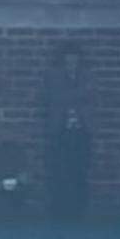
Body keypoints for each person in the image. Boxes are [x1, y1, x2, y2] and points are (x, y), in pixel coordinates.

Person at [43, 42, 91, 221]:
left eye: (75, 57)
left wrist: (68, 96)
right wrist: (77, 95)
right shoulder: (53, 76)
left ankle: (79, 209)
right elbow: (54, 97)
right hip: (59, 129)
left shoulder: (88, 76)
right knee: (59, 170)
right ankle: (60, 209)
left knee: (80, 170)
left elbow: (92, 94)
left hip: (82, 130)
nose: (72, 61)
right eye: (68, 57)